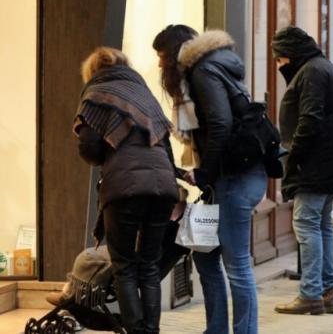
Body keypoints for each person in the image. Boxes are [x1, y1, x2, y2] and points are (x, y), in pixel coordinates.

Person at [153, 26, 268, 334]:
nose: (160, 65)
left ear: (176, 53)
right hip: (229, 179)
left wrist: (204, 173)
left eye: (162, 57)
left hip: (234, 180)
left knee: (237, 264)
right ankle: (215, 329)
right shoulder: (214, 67)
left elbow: (220, 124)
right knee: (205, 257)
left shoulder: (203, 72)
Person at [74, 47, 179, 334]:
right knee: (150, 265)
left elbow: (89, 148)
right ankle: (151, 330)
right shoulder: (145, 95)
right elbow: (165, 143)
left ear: (92, 70)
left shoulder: (96, 94)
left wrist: (106, 156)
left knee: (124, 266)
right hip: (162, 188)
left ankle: (135, 330)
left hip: (124, 190)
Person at [271, 26, 333, 316]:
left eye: (279, 59)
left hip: (314, 165)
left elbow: (310, 119)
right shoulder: (321, 67)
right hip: (328, 163)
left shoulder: (312, 72)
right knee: (322, 226)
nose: (279, 66)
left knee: (306, 225)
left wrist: (294, 157)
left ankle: (310, 294)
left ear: (289, 55)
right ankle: (327, 293)